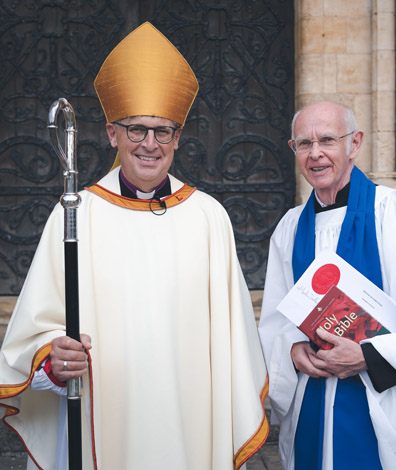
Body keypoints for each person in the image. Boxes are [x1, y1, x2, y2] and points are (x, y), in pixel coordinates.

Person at [0, 22, 268, 469]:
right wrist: (51, 358)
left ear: (178, 138)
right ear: (112, 134)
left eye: (163, 131)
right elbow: (34, 333)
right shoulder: (75, 214)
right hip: (99, 421)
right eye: (137, 129)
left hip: (190, 428)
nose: (150, 144)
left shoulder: (208, 218)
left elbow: (233, 345)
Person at [258, 100, 396, 470]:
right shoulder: (290, 229)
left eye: (327, 139)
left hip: (384, 409)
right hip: (313, 403)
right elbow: (276, 322)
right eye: (303, 144)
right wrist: (293, 351)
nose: (315, 154)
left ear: (354, 144)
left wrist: (368, 356)